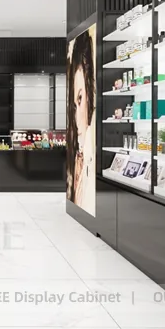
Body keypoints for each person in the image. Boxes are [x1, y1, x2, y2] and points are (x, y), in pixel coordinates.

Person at [67, 29, 96, 211]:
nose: (76, 117)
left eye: (80, 99)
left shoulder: (91, 162)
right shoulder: (78, 161)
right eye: (73, 105)